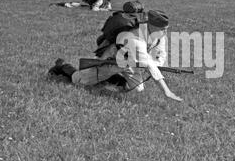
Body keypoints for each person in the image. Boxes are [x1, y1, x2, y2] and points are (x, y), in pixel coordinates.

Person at [48, 9, 183, 102]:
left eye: (166, 28)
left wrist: (157, 64)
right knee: (78, 81)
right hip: (112, 62)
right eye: (162, 29)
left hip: (130, 64)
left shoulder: (159, 36)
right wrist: (167, 91)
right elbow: (148, 64)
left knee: (138, 91)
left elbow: (160, 55)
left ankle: (111, 80)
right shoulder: (135, 38)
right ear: (151, 26)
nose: (165, 32)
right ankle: (62, 66)